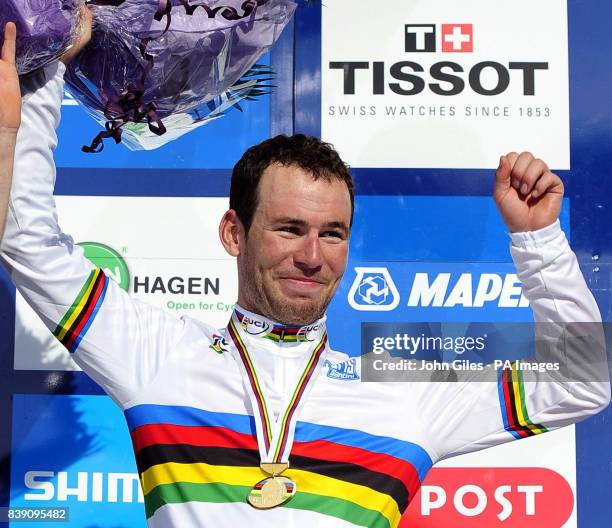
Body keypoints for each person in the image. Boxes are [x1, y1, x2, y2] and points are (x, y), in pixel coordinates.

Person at [0, 16, 609, 528]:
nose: (313, 257)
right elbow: (29, 240)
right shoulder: (157, 353)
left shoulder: (405, 394)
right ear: (233, 233)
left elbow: (582, 382)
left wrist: (538, 239)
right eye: (289, 229)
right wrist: (46, 56)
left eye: (332, 234)